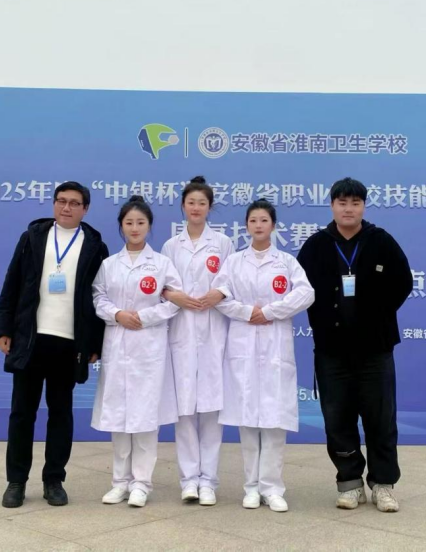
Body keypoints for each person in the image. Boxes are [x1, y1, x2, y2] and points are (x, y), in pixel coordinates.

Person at [297, 177, 412, 513]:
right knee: (337, 419)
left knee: (381, 419)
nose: (348, 209)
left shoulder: (381, 241)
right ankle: (349, 483)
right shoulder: (316, 245)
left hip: (375, 349)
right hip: (331, 351)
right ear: (332, 205)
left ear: (363, 206)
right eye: (342, 202)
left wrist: (376, 316)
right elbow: (300, 289)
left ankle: (383, 484)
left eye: (355, 203)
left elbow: (403, 282)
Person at [0, 181, 109, 508]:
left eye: (74, 203)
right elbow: (12, 283)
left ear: (85, 209)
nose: (66, 207)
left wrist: (95, 343)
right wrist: (3, 328)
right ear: (54, 204)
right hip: (30, 339)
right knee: (22, 413)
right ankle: (16, 481)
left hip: (69, 343)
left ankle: (54, 480)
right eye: (61, 201)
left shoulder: (95, 246)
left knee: (61, 414)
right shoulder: (32, 238)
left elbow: (99, 298)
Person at [212, 199, 315, 512]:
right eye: (253, 220)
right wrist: (247, 312)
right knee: (247, 421)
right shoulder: (234, 262)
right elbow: (219, 297)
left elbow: (306, 293)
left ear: (273, 225)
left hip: (274, 346)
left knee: (273, 421)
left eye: (264, 220)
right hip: (243, 345)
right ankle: (251, 487)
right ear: (246, 226)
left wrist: (269, 312)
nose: (258, 225)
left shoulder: (286, 262)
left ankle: (272, 488)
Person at [91, 195, 182, 508]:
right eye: (129, 222)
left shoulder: (161, 264)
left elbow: (174, 301)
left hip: (148, 346)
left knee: (145, 419)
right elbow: (98, 297)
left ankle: (142, 483)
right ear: (121, 226)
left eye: (140, 222)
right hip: (118, 343)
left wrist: (144, 317)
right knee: (119, 418)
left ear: (149, 226)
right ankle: (120, 482)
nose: (134, 228)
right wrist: (117, 315)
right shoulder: (109, 265)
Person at [161, 176, 234, 506]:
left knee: (211, 410)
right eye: (191, 202)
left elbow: (231, 280)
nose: (196, 208)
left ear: (209, 207)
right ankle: (189, 480)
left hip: (213, 331)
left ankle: (209, 482)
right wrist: (174, 295)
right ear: (183, 206)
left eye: (202, 203)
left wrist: (219, 293)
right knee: (185, 410)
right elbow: (161, 285)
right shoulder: (170, 246)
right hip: (181, 331)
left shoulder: (223, 243)